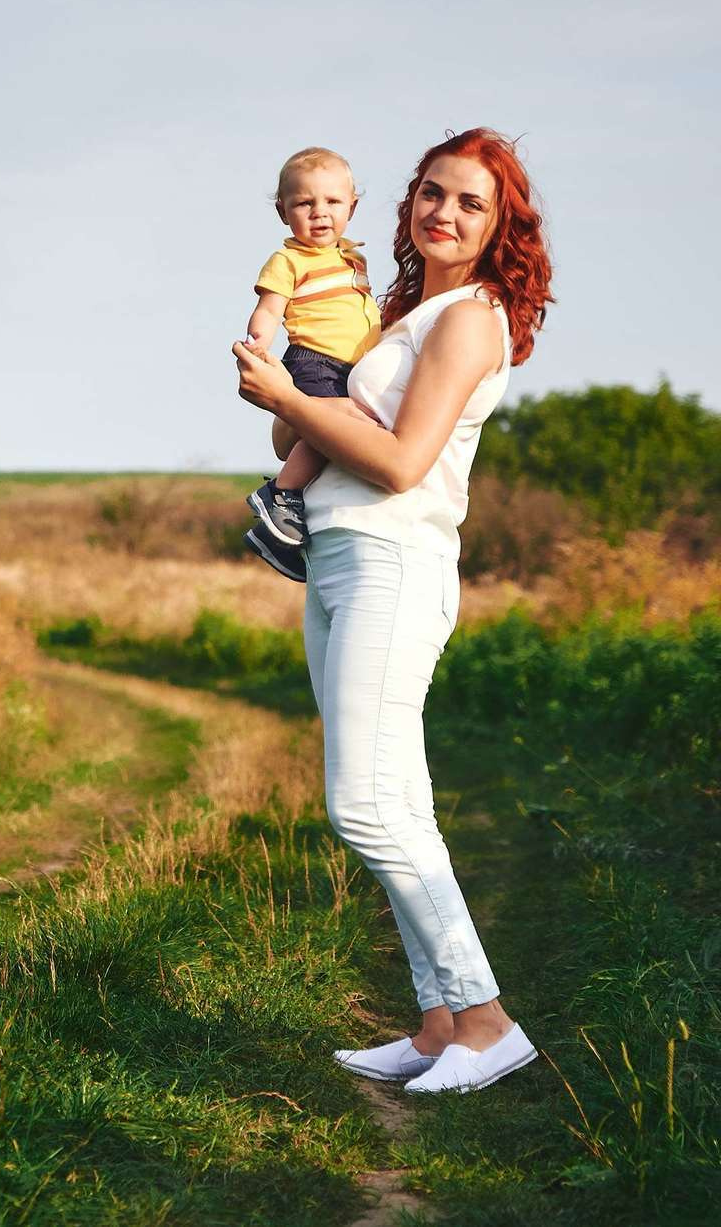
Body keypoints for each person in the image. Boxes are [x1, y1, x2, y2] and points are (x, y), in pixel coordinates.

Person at [231, 128, 554, 1095]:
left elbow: (404, 462)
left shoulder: (470, 317)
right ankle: (436, 1026)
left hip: (394, 558)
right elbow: (312, 427)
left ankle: (487, 1019)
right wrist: (286, 389)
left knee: (364, 805)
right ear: (406, 201)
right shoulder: (402, 304)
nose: (444, 215)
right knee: (397, 798)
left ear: (501, 228)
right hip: (337, 553)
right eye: (432, 194)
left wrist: (295, 396)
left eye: (471, 204)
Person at [241, 148, 384, 581]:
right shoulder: (289, 260)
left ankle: (285, 529)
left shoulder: (353, 258)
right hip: (313, 360)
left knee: (335, 433)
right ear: (284, 212)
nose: (319, 213)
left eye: (332, 202)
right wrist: (260, 342)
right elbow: (269, 308)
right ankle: (281, 494)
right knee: (327, 430)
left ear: (352, 207)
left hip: (348, 367)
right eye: (305, 204)